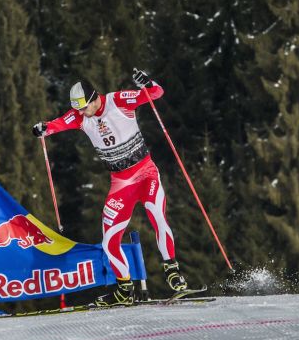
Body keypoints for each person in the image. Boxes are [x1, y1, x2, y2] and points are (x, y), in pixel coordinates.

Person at [32, 68, 190, 307]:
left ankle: (173, 271)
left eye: (84, 107)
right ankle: (125, 289)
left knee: (157, 215)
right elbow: (57, 124)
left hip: (146, 173)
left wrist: (147, 82)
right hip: (121, 184)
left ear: (95, 98)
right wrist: (43, 128)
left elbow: (156, 92)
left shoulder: (119, 101)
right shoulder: (80, 117)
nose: (82, 113)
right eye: (78, 110)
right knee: (109, 242)